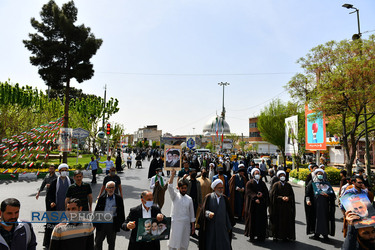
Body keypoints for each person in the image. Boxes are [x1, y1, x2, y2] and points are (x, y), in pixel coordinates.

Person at [198, 179, 235, 250]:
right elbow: (203, 211)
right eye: (219, 188)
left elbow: (228, 214)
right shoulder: (209, 197)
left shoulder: (224, 198)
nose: (221, 190)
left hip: (222, 229)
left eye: (222, 188)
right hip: (211, 229)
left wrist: (229, 226)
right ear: (214, 188)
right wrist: (208, 214)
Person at [305, 168, 335, 241]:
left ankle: (325, 234)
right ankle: (316, 234)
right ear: (316, 174)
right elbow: (307, 193)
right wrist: (308, 200)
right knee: (316, 219)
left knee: (325, 219)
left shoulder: (326, 183)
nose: (320, 175)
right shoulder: (312, 183)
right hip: (315, 206)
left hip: (325, 206)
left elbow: (333, 195)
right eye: (319, 174)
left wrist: (328, 196)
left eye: (321, 174)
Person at [167, 169, 195, 250]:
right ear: (179, 188)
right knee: (174, 243)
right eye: (182, 188)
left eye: (185, 188)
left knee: (184, 243)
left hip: (185, 224)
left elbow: (192, 213)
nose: (184, 190)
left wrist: (193, 226)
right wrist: (172, 175)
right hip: (176, 224)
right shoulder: (175, 196)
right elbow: (170, 187)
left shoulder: (189, 199)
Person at [94, 181, 125, 250]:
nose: (110, 189)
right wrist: (94, 223)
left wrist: (121, 224)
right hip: (101, 222)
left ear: (114, 188)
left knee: (111, 243)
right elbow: (97, 211)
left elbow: (121, 212)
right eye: (109, 188)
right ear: (106, 189)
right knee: (98, 242)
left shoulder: (118, 198)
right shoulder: (102, 198)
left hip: (112, 223)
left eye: (112, 188)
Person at [269, 170, 296, 241]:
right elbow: (273, 196)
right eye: (281, 176)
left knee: (286, 221)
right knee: (277, 221)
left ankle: (286, 236)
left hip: (287, 207)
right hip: (278, 207)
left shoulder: (288, 185)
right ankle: (276, 236)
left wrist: (288, 198)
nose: (282, 177)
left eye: (283, 175)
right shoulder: (276, 185)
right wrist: (281, 198)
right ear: (278, 177)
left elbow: (292, 195)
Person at [244, 168, 269, 242]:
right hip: (253, 205)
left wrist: (262, 194)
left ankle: (260, 236)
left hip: (261, 205)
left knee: (261, 220)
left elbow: (266, 192)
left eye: (258, 173)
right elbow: (249, 192)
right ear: (253, 175)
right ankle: (252, 235)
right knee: (253, 220)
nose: (257, 175)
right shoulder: (249, 183)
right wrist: (255, 197)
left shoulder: (262, 183)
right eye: (256, 174)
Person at [36, 164, 57, 247]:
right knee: (48, 210)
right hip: (47, 197)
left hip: (53, 197)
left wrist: (50, 185)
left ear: (54, 170)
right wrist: (38, 193)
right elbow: (43, 184)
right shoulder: (47, 176)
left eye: (52, 168)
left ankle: (53, 223)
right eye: (50, 168)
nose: (50, 169)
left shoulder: (56, 177)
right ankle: (48, 222)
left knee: (53, 210)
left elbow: (56, 186)